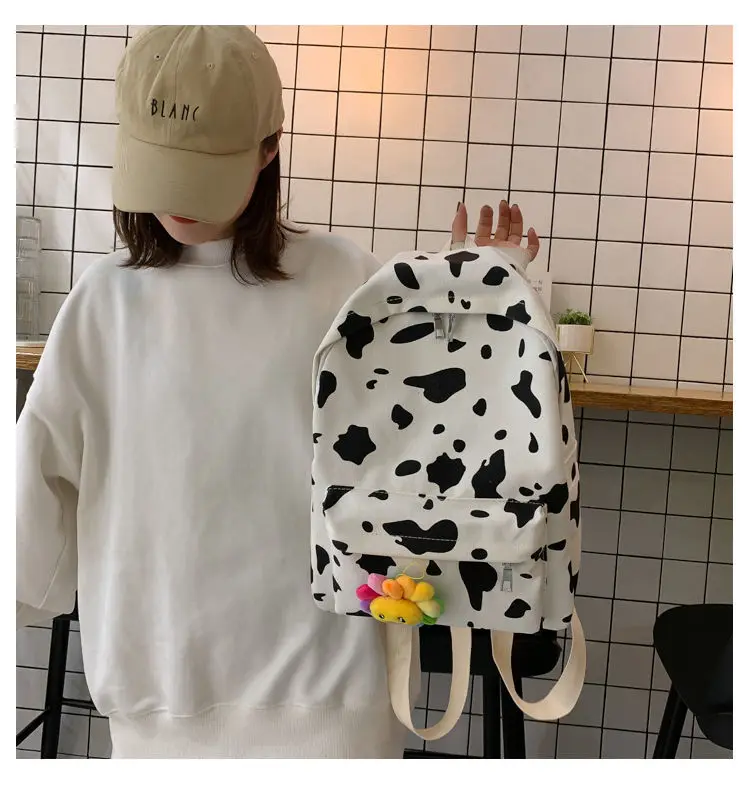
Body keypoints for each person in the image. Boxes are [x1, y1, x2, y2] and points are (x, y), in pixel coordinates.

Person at [16, 26, 539, 759]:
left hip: (335, 701)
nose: (181, 201)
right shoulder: (102, 302)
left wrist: (485, 304)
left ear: (269, 149)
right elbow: (36, 481)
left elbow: (445, 449)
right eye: (165, 166)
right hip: (162, 705)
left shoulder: (346, 279)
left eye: (205, 170)